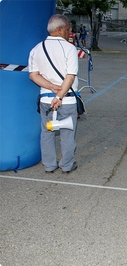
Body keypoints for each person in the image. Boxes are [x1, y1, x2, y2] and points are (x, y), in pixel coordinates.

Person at [28, 14, 79, 173]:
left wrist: (51, 87)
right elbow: (70, 77)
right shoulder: (70, 49)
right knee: (67, 135)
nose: (69, 32)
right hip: (67, 100)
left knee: (47, 133)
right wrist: (59, 97)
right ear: (59, 29)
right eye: (68, 29)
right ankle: (66, 165)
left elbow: (33, 75)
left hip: (45, 101)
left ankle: (49, 165)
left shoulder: (37, 49)